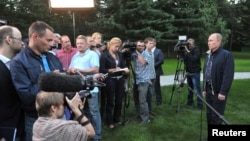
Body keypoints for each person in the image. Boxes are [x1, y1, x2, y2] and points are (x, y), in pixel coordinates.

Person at [10, 21, 64, 141]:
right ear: (35, 37)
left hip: (60, 114)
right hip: (36, 120)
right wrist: (49, 79)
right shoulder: (18, 62)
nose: (52, 44)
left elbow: (62, 83)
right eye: (49, 40)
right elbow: (27, 96)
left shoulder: (52, 57)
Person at [68, 35, 102, 141]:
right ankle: (87, 134)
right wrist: (71, 71)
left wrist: (79, 70)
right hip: (79, 89)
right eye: (77, 44)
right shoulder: (75, 56)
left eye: (81, 43)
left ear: (87, 44)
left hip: (91, 88)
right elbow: (69, 70)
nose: (79, 45)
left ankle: (97, 136)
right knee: (83, 112)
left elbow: (96, 70)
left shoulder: (92, 54)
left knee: (94, 112)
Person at [203, 33, 234, 125]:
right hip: (208, 90)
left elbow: (228, 75)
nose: (208, 43)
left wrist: (223, 92)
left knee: (216, 117)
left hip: (218, 92)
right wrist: (204, 88)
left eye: (211, 40)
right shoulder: (208, 55)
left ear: (219, 41)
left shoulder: (226, 55)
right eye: (208, 40)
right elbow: (206, 72)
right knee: (209, 115)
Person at [0, 25, 25, 140]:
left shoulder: (18, 65)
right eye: (19, 39)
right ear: (9, 40)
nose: (22, 43)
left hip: (20, 129)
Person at [99, 37, 129, 129]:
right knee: (110, 101)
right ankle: (109, 121)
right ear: (111, 45)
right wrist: (112, 69)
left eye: (118, 47)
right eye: (116, 46)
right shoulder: (104, 55)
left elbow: (123, 65)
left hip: (120, 79)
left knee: (119, 100)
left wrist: (125, 70)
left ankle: (116, 118)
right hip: (110, 80)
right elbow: (102, 69)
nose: (117, 48)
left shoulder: (119, 54)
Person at [132, 39, 151, 125]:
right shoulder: (133, 54)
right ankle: (139, 114)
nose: (139, 47)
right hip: (136, 80)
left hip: (143, 80)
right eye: (138, 45)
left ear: (144, 46)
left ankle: (145, 119)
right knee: (136, 99)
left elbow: (143, 62)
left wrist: (137, 53)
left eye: (141, 46)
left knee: (142, 101)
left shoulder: (147, 54)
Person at [184, 38, 203, 110]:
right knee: (190, 89)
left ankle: (200, 106)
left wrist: (188, 52)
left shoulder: (196, 50)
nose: (188, 44)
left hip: (195, 72)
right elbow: (186, 60)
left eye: (190, 43)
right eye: (187, 43)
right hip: (189, 72)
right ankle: (189, 102)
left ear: (193, 43)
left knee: (197, 89)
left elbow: (194, 59)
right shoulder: (188, 51)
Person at [144, 37, 156, 116]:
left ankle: (150, 111)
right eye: (150, 43)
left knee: (150, 96)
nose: (152, 45)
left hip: (153, 77)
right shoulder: (144, 54)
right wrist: (147, 79)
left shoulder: (152, 53)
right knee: (147, 96)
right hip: (147, 78)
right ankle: (146, 113)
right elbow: (144, 68)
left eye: (152, 43)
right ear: (146, 44)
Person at [152, 38, 164, 105]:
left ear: (155, 43)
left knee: (156, 86)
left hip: (156, 71)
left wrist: (153, 66)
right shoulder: (146, 51)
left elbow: (161, 61)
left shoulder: (159, 51)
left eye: (152, 42)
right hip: (147, 72)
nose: (151, 44)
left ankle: (159, 100)